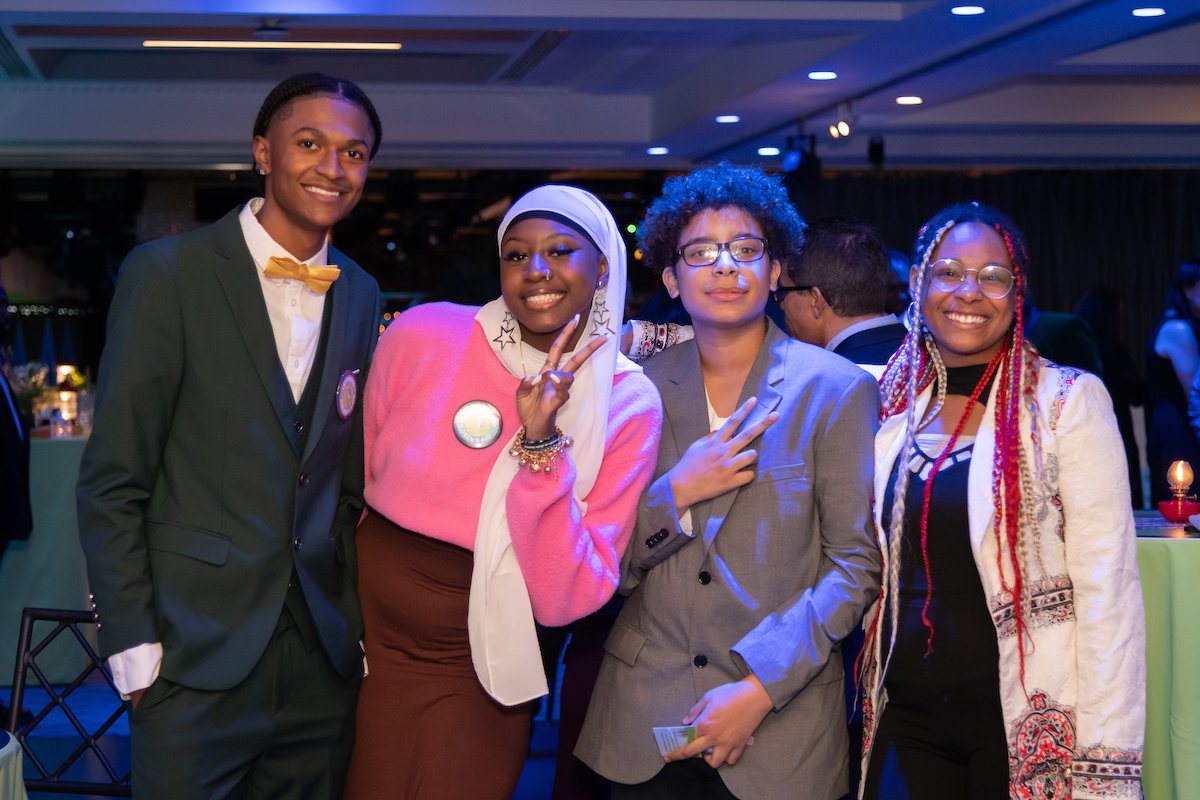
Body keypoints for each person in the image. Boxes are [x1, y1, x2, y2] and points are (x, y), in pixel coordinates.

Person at [76, 72, 382, 798]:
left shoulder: (362, 291)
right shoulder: (167, 275)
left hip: (318, 666)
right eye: (309, 143)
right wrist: (133, 645)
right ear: (262, 153)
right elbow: (113, 480)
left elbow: (339, 482)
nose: (333, 168)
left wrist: (353, 630)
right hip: (190, 660)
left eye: (355, 152)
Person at [343, 184, 662, 799]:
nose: (535, 270)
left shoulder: (625, 401)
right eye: (516, 255)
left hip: (482, 662)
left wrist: (540, 446)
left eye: (560, 251)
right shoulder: (422, 333)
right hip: (360, 643)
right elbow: (358, 480)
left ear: (603, 266)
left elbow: (571, 596)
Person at [577, 163, 882, 800]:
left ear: (774, 272)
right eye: (700, 252)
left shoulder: (835, 389)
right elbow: (599, 564)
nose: (724, 266)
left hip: (781, 723)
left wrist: (760, 687)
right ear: (670, 276)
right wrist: (675, 493)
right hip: (646, 722)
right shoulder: (632, 391)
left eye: (746, 250)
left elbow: (854, 566)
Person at [862, 202, 1145, 799]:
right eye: (949, 272)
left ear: (1017, 296)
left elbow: (1109, 595)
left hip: (1025, 724)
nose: (970, 291)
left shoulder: (1067, 402)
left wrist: (1106, 766)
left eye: (993, 276)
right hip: (904, 716)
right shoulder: (886, 402)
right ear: (918, 284)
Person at [775, 215, 908, 368]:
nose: (782, 305)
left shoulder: (831, 382)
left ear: (815, 300)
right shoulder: (930, 357)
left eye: (783, 291)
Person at [1075, 286, 1144, 508]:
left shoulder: (1075, 345)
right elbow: (1137, 395)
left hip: (1081, 426)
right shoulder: (1113, 349)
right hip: (1115, 424)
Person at [1145, 260, 1200, 503]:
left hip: (1174, 422)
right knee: (1182, 505)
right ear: (1188, 289)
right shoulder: (1177, 328)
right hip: (1177, 427)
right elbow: (1195, 394)